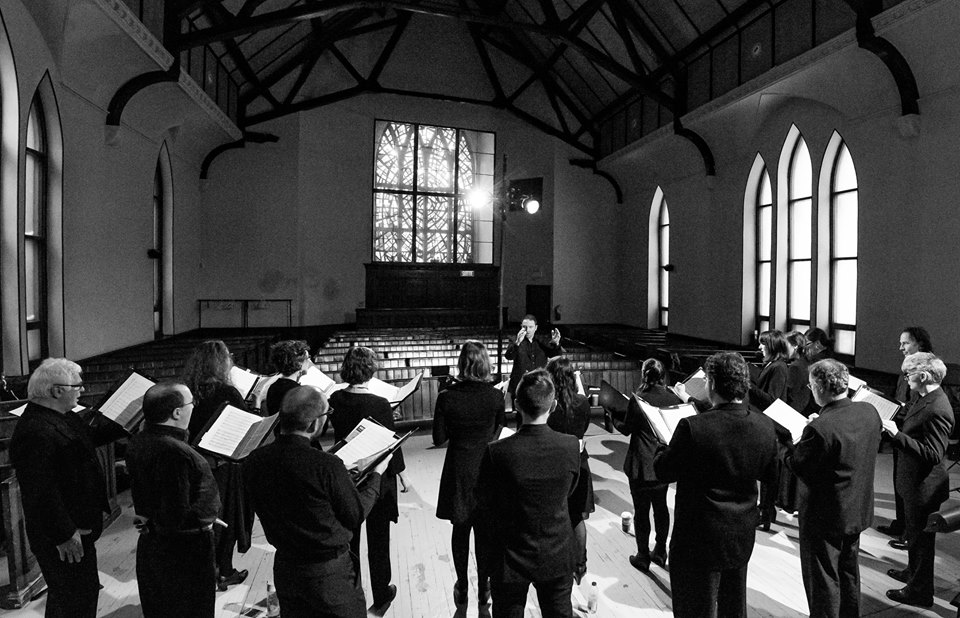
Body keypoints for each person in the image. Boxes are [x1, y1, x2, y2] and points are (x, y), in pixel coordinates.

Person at [243, 386, 390, 618]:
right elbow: (355, 514)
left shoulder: (254, 461)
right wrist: (377, 474)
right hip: (329, 576)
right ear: (313, 424)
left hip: (286, 570)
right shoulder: (327, 465)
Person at [653, 352, 777, 618]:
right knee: (733, 606)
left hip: (698, 538)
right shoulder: (765, 426)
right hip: (741, 533)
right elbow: (770, 475)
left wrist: (662, 447)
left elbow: (663, 471)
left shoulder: (693, 427)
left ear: (711, 384)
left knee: (695, 608)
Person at [10, 358, 124, 618]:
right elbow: (40, 492)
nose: (82, 390)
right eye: (77, 386)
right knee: (75, 600)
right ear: (56, 391)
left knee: (75, 595)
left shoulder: (63, 416)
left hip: (79, 526)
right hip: (62, 535)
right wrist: (63, 534)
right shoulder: (35, 430)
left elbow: (89, 438)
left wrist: (127, 422)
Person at [780, 359, 881, 617]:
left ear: (820, 387)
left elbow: (798, 465)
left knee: (822, 580)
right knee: (848, 573)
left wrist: (794, 441)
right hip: (856, 509)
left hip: (825, 517)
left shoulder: (819, 429)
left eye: (811, 385)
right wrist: (820, 421)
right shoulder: (869, 412)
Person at [476, 369, 580, 618]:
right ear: (553, 405)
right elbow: (571, 493)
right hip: (557, 551)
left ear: (516, 405)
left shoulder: (496, 452)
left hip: (510, 555)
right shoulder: (571, 445)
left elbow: (485, 502)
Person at [127, 382, 221, 618]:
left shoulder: (140, 439)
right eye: (191, 403)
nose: (194, 407)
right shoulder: (173, 451)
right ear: (177, 412)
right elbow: (174, 512)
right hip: (182, 554)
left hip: (154, 546)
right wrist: (203, 519)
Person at [328, 346, 405, 612]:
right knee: (379, 540)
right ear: (370, 369)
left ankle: (354, 592)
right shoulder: (379, 404)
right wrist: (400, 473)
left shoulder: (336, 399)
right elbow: (390, 445)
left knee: (351, 541)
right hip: (376, 478)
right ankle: (382, 594)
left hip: (346, 477)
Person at [433, 340, 505, 607]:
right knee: (485, 533)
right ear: (485, 364)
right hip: (487, 470)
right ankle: (483, 587)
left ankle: (462, 585)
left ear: (462, 364)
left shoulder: (447, 396)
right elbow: (499, 432)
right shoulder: (496, 396)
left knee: (460, 530)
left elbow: (439, 438)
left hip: (459, 470)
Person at [882, 352, 954, 608]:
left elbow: (933, 454)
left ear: (923, 375)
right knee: (914, 537)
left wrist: (896, 435)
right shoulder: (925, 397)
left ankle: (920, 592)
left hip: (925, 486)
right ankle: (912, 575)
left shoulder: (937, 407)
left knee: (922, 542)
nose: (905, 379)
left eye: (908, 374)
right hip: (914, 482)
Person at [182, 340, 251, 589]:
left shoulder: (186, 390)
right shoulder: (227, 392)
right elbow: (245, 426)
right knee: (227, 518)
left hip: (192, 464)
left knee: (205, 519)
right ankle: (224, 570)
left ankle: (205, 572)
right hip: (222, 465)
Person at [614, 358, 681, 572]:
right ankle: (661, 551)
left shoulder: (639, 399)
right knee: (661, 508)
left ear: (644, 375)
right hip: (663, 462)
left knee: (641, 512)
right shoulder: (673, 397)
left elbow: (626, 428)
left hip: (641, 464)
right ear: (662, 376)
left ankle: (643, 555)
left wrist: (613, 415)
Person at [878, 326, 934, 547]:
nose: (900, 347)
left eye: (905, 343)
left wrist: (896, 409)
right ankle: (900, 523)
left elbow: (917, 402)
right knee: (899, 479)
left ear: (919, 344)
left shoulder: (925, 367)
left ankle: (909, 532)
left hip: (911, 431)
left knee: (909, 485)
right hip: (899, 426)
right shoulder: (908, 365)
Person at [545, 357, 595, 583]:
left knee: (552, 515)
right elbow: (583, 429)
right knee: (576, 517)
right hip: (578, 463)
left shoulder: (549, 404)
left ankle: (554, 563)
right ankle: (580, 565)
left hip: (553, 463)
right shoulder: (582, 403)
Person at [751, 329, 790, 531]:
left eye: (763, 344)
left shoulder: (779, 367)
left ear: (772, 346)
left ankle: (765, 513)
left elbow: (772, 400)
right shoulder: (772, 365)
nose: (759, 347)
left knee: (768, 473)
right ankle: (764, 511)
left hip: (772, 425)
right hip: (765, 423)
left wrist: (748, 387)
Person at [504, 314, 563, 425]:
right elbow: (509, 356)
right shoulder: (515, 341)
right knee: (522, 419)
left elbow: (555, 355)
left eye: (530, 327)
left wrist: (556, 343)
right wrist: (517, 342)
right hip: (521, 386)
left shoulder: (542, 341)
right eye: (525, 327)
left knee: (540, 418)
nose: (527, 330)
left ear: (536, 327)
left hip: (540, 385)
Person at [777, 330, 812, 514]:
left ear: (795, 346)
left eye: (786, 345)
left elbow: (789, 394)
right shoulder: (805, 364)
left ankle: (787, 501)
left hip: (793, 414)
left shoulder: (795, 367)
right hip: (802, 414)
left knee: (789, 459)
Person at [265, 339, 310, 415]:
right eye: (308, 358)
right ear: (299, 363)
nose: (309, 361)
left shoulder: (273, 387)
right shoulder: (298, 392)